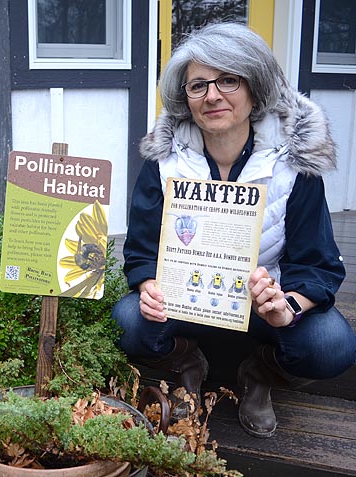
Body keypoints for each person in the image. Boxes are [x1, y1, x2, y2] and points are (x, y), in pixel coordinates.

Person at [111, 22, 356, 438]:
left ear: (254, 88)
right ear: (185, 98)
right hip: (187, 302)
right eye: (198, 85)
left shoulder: (292, 164)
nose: (212, 96)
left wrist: (286, 307)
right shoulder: (164, 161)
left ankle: (259, 373)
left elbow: (317, 265)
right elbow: (140, 250)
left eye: (228, 80)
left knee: (332, 344)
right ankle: (187, 362)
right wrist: (148, 285)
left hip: (261, 311)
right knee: (127, 321)